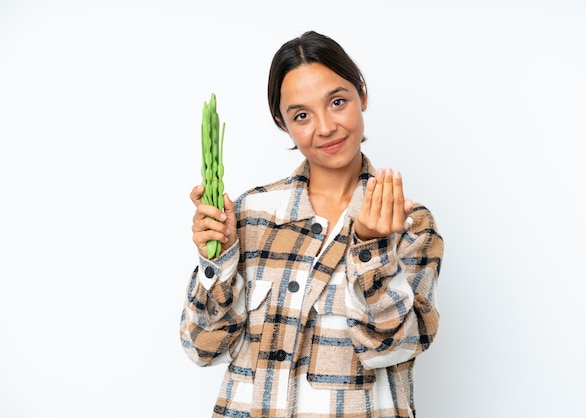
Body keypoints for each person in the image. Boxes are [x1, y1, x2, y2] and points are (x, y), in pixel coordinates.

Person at [180, 30, 444, 417]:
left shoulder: (409, 223)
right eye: (301, 115)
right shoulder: (250, 214)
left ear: (362, 95)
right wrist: (215, 262)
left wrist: (371, 247)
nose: (325, 127)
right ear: (281, 123)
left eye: (337, 102)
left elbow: (393, 347)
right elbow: (203, 348)